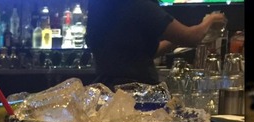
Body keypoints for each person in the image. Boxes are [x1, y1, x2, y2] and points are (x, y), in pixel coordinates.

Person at [85, 0, 227, 89]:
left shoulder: (101, 7)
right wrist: (211, 19)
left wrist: (174, 40)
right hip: (138, 92)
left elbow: (142, 54)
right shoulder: (139, 5)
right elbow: (190, 37)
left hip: (107, 88)